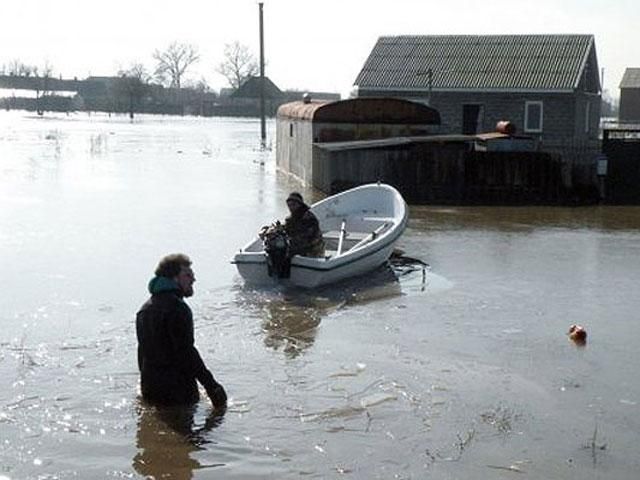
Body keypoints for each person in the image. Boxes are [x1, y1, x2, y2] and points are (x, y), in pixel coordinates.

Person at [136, 253, 227, 408]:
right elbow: (187, 352)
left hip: (150, 389)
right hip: (179, 392)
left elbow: (142, 352)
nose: (193, 279)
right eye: (188, 275)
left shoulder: (145, 308)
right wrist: (212, 387)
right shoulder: (178, 308)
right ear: (174, 278)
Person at [283, 192, 325, 257]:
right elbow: (285, 230)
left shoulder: (309, 218)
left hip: (313, 250)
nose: (291, 208)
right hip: (299, 248)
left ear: (300, 204)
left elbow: (307, 238)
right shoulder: (289, 219)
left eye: (293, 205)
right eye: (289, 205)